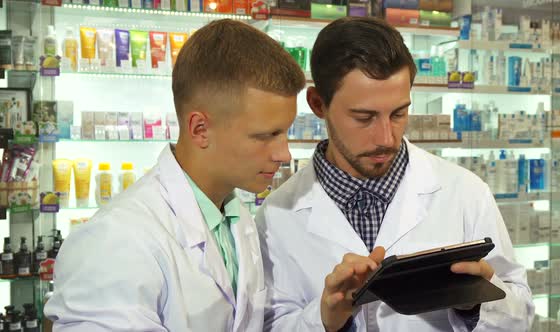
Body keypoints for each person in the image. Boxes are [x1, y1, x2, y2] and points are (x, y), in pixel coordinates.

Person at [256, 17, 534, 331]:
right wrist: (323, 319)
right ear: (318, 104)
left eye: (399, 113)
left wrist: (478, 302)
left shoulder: (465, 193)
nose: (387, 137)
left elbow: (520, 313)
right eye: (364, 117)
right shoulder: (276, 216)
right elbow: (267, 325)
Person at [44, 19, 306, 331]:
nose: (284, 154)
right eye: (266, 135)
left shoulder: (236, 220)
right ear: (200, 129)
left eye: (285, 132)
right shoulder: (117, 239)